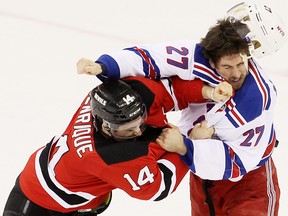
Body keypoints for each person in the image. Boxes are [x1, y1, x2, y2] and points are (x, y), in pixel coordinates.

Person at [76, 2, 286, 215]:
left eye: (241, 64)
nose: (237, 74)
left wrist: (188, 145)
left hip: (249, 181)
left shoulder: (257, 99)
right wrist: (105, 66)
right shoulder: (199, 58)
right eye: (227, 67)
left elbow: (238, 162)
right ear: (212, 62)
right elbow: (150, 59)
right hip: (202, 175)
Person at [3, 75, 232, 216]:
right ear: (104, 125)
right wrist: (189, 144)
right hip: (36, 204)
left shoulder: (122, 94)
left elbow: (170, 91)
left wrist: (210, 92)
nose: (137, 131)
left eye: (139, 121)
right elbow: (158, 187)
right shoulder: (111, 155)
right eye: (126, 129)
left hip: (72, 188)